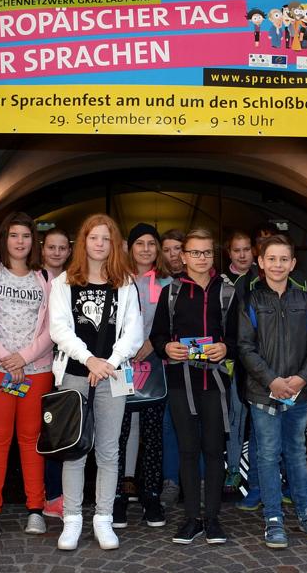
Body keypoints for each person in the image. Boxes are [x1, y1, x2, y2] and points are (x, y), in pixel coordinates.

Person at [48, 214, 144, 550]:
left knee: (108, 450)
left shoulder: (125, 283)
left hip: (113, 377)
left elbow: (134, 331)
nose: (100, 244)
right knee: (73, 450)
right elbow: (59, 329)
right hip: (74, 375)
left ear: (114, 244)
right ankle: (72, 519)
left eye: (106, 238)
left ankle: (103, 518)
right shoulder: (64, 282)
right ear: (83, 242)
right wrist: (89, 359)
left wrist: (109, 363)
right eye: (93, 238)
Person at [238, 234, 307, 548]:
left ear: (293, 263)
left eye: (283, 259)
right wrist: (272, 380)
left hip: (298, 393)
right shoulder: (250, 301)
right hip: (264, 393)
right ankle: (273, 517)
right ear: (261, 263)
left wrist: (301, 379)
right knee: (267, 454)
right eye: (271, 259)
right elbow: (245, 348)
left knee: (297, 452)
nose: (278, 264)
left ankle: (306, 510)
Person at [151, 228, 237, 545]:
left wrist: (225, 348)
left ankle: (212, 519)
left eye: (207, 252)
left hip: (215, 382)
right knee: (188, 450)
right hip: (180, 382)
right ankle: (191, 519)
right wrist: (166, 348)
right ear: (183, 256)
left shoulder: (227, 292)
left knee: (213, 450)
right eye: (195, 252)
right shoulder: (171, 293)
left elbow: (239, 339)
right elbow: (158, 336)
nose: (201, 258)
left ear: (213, 255)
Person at [0, 212, 54, 538]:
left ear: (33, 241)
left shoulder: (45, 277)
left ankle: (35, 509)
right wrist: (8, 361)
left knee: (32, 439)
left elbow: (52, 328)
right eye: (13, 235)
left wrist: (24, 358)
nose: (20, 242)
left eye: (25, 236)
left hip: (37, 369)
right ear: (3, 239)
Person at [113, 223, 171, 529]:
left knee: (152, 433)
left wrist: (152, 343)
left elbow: (173, 322)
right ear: (129, 248)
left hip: (154, 365)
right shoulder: (115, 278)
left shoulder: (168, 282)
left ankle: (151, 495)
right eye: (140, 243)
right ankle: (118, 496)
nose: (146, 249)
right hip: (120, 365)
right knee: (118, 433)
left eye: (151, 243)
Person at [39, 228, 71, 521]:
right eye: (52, 247)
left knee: (62, 432)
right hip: (37, 363)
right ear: (43, 249)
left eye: (62, 247)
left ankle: (58, 496)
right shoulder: (34, 278)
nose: (57, 252)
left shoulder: (75, 279)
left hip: (64, 365)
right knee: (45, 433)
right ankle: (47, 495)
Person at [221, 231, 254, 495]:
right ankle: (233, 468)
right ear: (229, 253)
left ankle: (261, 474)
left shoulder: (263, 277)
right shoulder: (220, 281)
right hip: (231, 358)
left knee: (261, 419)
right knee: (235, 414)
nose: (242, 255)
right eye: (236, 250)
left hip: (259, 358)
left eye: (246, 249)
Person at [158, 227, 185, 506]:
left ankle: (199, 481)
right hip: (164, 366)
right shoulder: (158, 283)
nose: (173, 255)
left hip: (200, 366)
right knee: (169, 426)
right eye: (166, 250)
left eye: (177, 248)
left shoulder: (206, 281)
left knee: (201, 427)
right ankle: (170, 481)